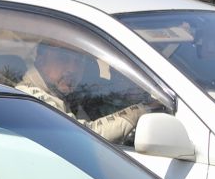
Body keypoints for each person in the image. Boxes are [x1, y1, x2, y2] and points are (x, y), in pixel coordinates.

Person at [20, 39, 150, 144]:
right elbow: (84, 136)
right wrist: (141, 110)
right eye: (63, 59)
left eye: (78, 62)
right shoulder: (28, 96)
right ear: (41, 60)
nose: (72, 69)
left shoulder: (74, 97)